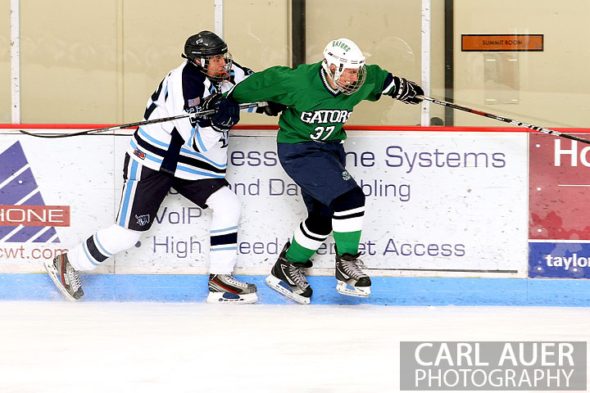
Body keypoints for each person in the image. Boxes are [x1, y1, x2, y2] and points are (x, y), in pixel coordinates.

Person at [45, 31, 266, 304]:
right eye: (216, 59)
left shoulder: (225, 71)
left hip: (189, 164)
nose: (224, 63)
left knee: (227, 204)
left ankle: (220, 280)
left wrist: (271, 99)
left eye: (223, 56)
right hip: (154, 159)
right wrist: (217, 123)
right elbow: (196, 142)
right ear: (199, 62)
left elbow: (254, 85)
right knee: (128, 233)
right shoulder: (182, 84)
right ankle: (68, 262)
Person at [227, 38, 424, 304]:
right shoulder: (295, 81)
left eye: (357, 70)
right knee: (350, 199)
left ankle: (287, 266)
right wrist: (228, 103)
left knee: (323, 217)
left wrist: (401, 88)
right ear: (331, 66)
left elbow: (381, 80)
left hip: (331, 150)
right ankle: (347, 265)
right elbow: (243, 90)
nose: (354, 77)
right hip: (299, 150)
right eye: (348, 70)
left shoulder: (362, 79)